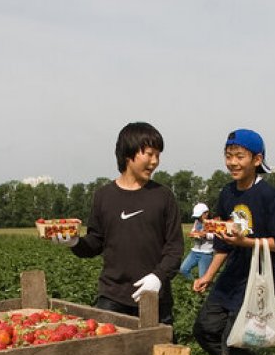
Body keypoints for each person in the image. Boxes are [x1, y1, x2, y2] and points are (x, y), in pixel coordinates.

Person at [192, 129, 275, 355]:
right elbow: (223, 242)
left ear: (256, 159)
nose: (233, 162)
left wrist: (244, 242)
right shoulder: (227, 193)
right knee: (204, 329)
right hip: (232, 275)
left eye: (239, 156)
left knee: (233, 339)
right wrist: (208, 276)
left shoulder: (267, 195)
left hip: (257, 276)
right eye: (228, 156)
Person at [54, 122, 183, 326]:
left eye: (158, 155)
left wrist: (158, 277)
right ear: (128, 153)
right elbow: (95, 243)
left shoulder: (163, 196)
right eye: (149, 154)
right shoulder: (104, 196)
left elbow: (175, 249)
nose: (155, 161)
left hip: (155, 297)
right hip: (112, 298)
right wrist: (74, 242)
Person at [179, 202, 215, 280]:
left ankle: (201, 289)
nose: (197, 218)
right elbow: (193, 231)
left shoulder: (213, 223)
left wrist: (206, 235)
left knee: (203, 277)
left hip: (206, 253)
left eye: (199, 216)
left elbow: (216, 236)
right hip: (195, 251)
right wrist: (193, 234)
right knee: (183, 269)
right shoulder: (197, 222)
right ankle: (193, 284)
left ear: (206, 213)